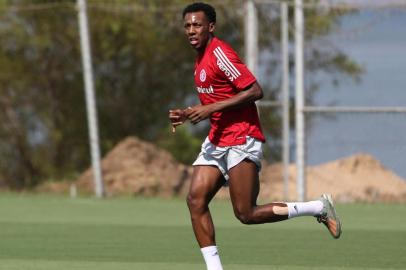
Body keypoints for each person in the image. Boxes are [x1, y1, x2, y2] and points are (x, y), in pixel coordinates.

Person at [169, 2, 341, 270]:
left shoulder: (220, 53)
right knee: (195, 200)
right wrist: (188, 113)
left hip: (242, 137)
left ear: (211, 27)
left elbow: (254, 90)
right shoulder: (199, 56)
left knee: (246, 213)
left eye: (197, 25)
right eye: (187, 26)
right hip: (218, 138)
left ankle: (318, 207)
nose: (191, 30)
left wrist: (208, 108)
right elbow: (216, 97)